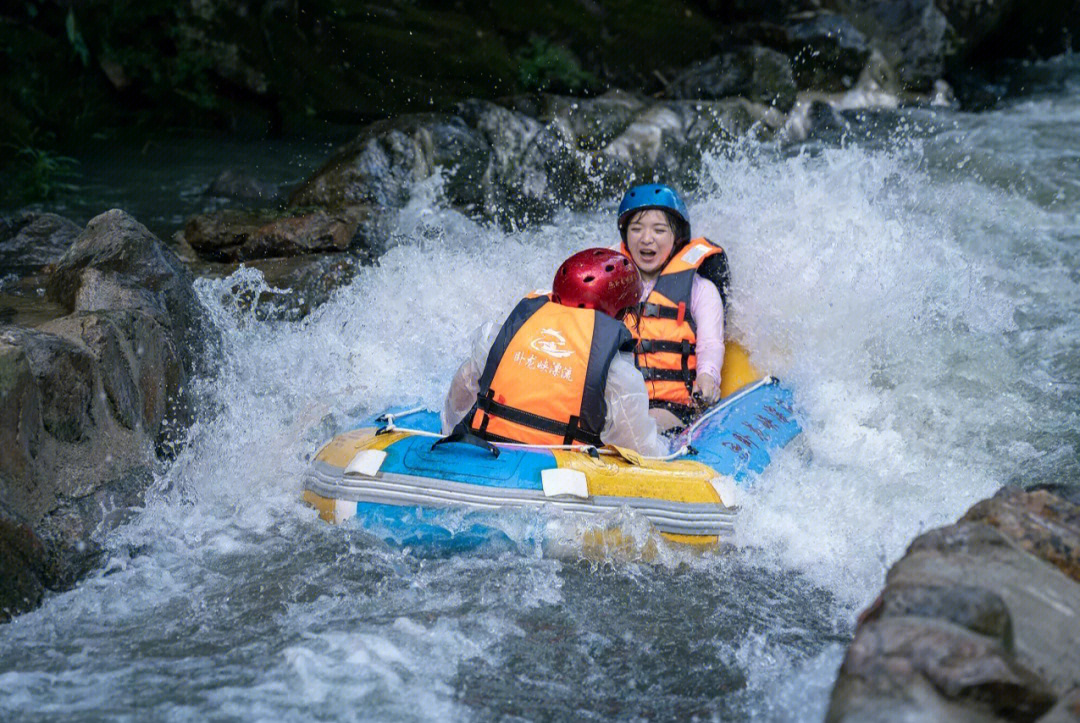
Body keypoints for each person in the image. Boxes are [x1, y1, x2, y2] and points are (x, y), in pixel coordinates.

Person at [441, 248, 667, 456]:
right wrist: (668, 446)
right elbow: (641, 454)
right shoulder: (620, 375)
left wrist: (451, 433)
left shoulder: (496, 336)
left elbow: (462, 386)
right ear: (623, 314)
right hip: (556, 476)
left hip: (485, 450)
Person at [616, 183, 730, 431]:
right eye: (636, 229)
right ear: (625, 236)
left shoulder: (700, 290)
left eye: (658, 230)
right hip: (618, 406)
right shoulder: (610, 285)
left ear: (676, 238)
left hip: (673, 409)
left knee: (648, 421)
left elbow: (710, 344)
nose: (646, 239)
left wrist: (707, 376)